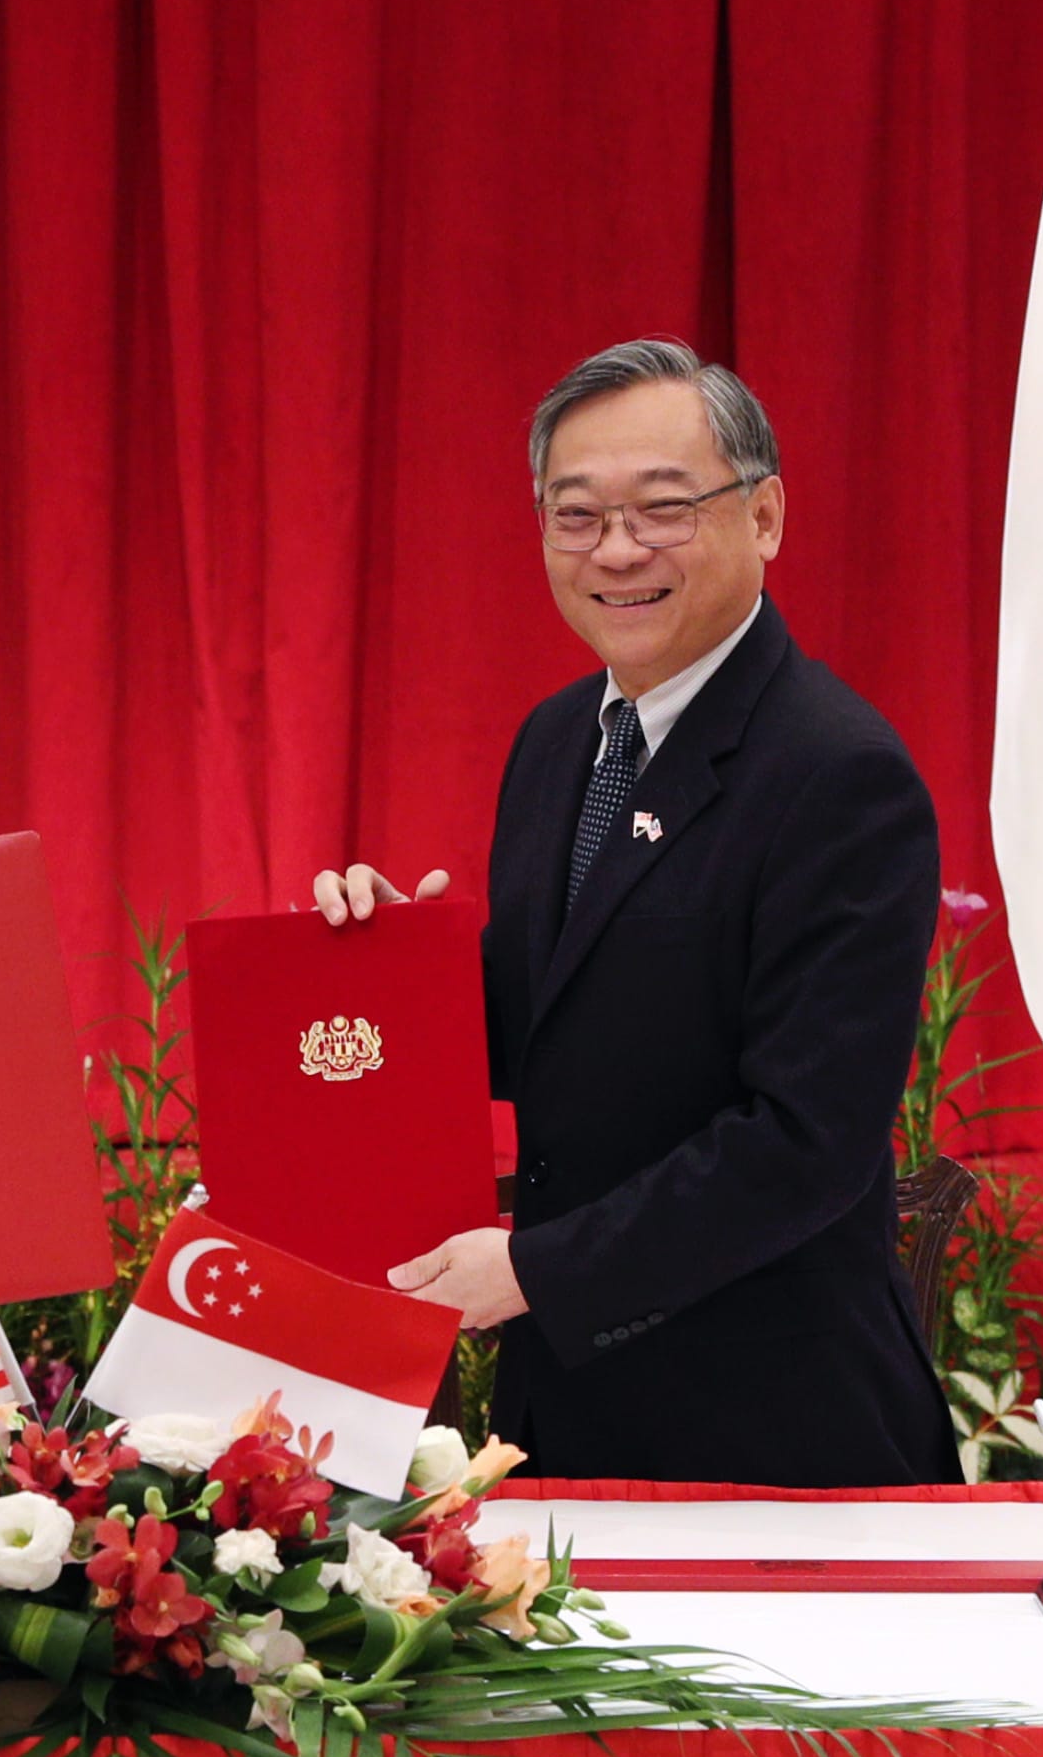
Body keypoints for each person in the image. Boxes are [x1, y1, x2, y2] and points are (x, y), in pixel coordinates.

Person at [310, 340, 954, 1487]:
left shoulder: (838, 771)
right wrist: (386, 971)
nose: (615, 550)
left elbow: (807, 1139)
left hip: (771, 1427)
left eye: (662, 509)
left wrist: (540, 1273)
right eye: (577, 514)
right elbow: (547, 1016)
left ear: (764, 517)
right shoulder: (560, 737)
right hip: (564, 1410)